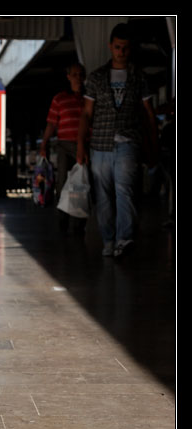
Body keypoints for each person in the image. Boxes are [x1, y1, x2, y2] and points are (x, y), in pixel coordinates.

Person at [77, 23, 159, 257]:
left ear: (130, 49)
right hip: (100, 144)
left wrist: (152, 145)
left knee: (126, 191)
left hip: (128, 142)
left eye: (125, 48)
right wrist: (81, 145)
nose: (121, 51)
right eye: (117, 47)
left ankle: (124, 238)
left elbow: (149, 115)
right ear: (110, 47)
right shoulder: (96, 77)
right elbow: (86, 113)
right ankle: (108, 239)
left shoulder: (138, 77)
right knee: (103, 195)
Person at [40, 62, 87, 234]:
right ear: (68, 77)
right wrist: (44, 144)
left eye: (81, 74)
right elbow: (51, 124)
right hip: (64, 145)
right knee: (62, 183)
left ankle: (79, 223)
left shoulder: (89, 98)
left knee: (81, 185)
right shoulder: (60, 98)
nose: (78, 78)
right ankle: (63, 220)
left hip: (85, 147)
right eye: (74, 74)